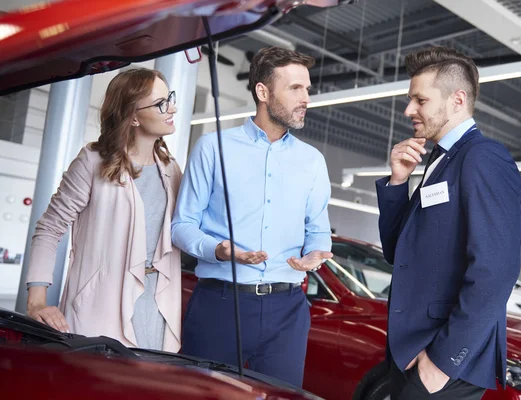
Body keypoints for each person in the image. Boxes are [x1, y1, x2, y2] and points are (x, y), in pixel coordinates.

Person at [172, 46, 332, 387]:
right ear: (263, 91)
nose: (306, 98)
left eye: (307, 89)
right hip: (219, 305)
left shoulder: (313, 161)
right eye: (295, 89)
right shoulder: (212, 147)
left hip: (287, 309)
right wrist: (219, 250)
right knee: (201, 395)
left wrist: (315, 254)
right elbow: (181, 226)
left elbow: (318, 228)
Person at [376, 47, 521, 399]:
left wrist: (442, 361)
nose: (409, 110)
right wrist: (398, 183)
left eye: (420, 100)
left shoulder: (483, 158)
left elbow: (496, 271)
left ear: (457, 99)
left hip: (446, 357)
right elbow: (397, 251)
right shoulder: (440, 163)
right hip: (414, 349)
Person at [26, 68, 183, 352]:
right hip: (100, 300)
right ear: (133, 116)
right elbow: (50, 228)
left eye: (169, 97)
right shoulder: (93, 161)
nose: (172, 108)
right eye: (161, 103)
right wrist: (37, 299)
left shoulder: (170, 169)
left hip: (156, 301)